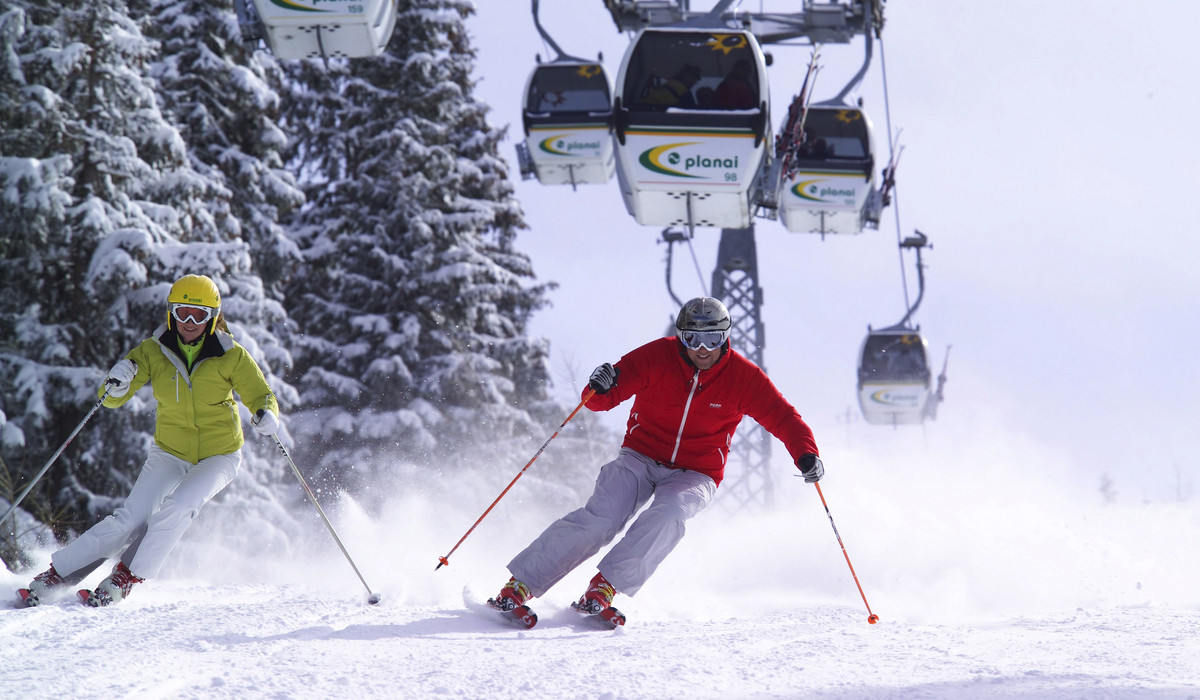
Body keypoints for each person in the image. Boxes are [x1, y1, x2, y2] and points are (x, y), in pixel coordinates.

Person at [486, 297, 824, 624]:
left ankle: (604, 588)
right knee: (602, 519)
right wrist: (600, 386)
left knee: (670, 516)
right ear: (680, 336)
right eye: (692, 338)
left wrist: (806, 453)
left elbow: (783, 417)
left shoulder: (743, 378)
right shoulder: (657, 357)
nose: (702, 349)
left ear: (726, 337)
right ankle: (519, 586)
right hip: (640, 456)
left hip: (696, 472)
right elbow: (601, 400)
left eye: (712, 338)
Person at [20, 274, 280, 607]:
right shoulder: (153, 351)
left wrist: (265, 412)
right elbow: (112, 398)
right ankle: (56, 575)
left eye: (198, 315)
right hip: (170, 451)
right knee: (131, 518)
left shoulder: (232, 355)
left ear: (212, 317)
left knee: (179, 507)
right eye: (182, 312)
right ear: (171, 313)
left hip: (219, 455)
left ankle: (125, 577)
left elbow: (261, 394)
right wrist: (116, 382)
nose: (189, 322)